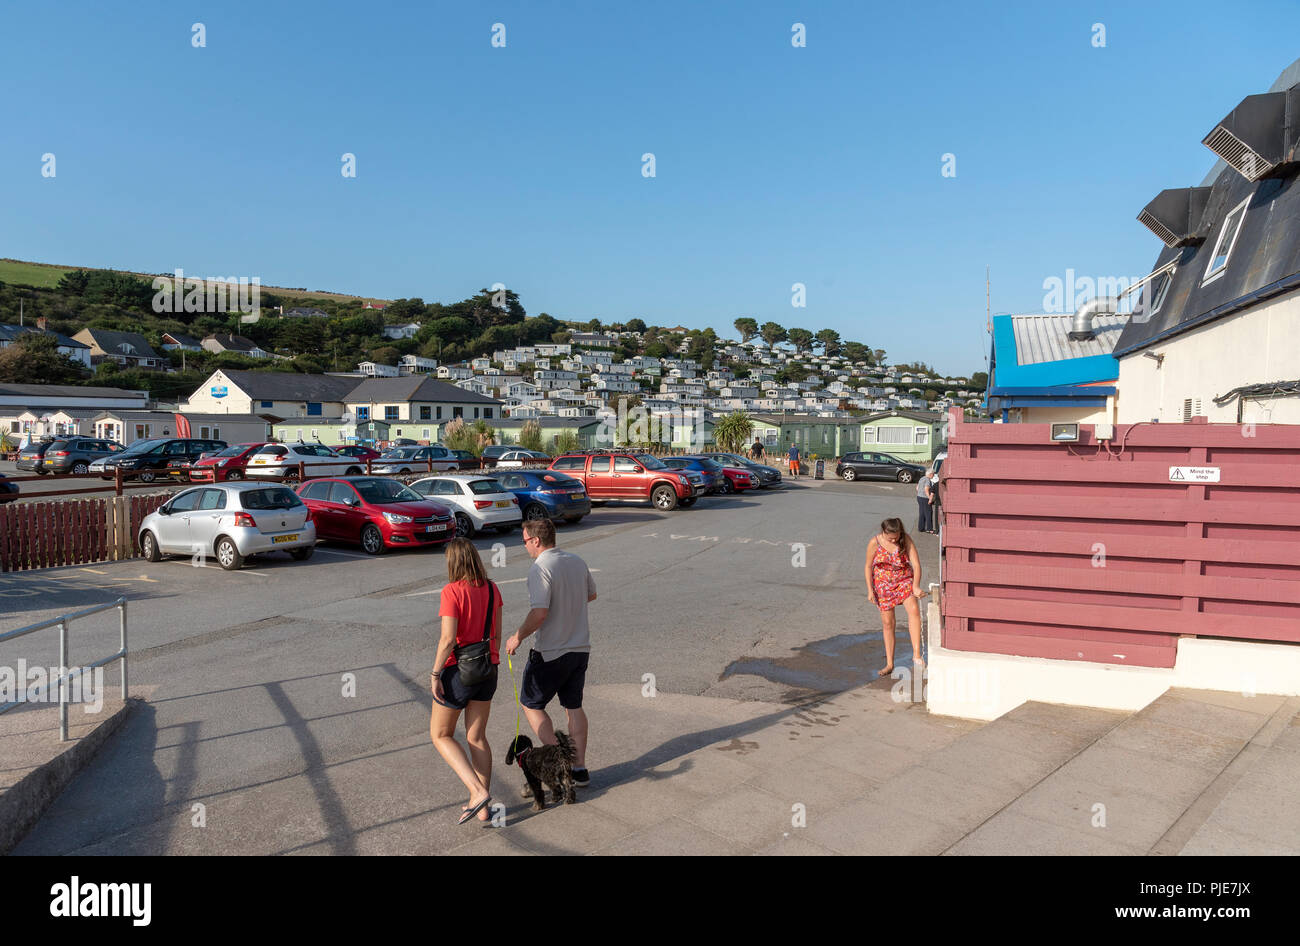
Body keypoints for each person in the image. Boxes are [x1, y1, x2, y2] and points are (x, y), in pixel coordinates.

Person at [505, 519, 597, 786]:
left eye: (524, 541)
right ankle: (579, 768)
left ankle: (560, 761)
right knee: (574, 706)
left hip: (550, 651)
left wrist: (517, 637)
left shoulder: (540, 568)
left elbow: (539, 613)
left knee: (531, 704)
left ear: (536, 540)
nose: (524, 546)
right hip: (580, 647)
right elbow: (591, 595)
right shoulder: (577, 561)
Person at [430, 537, 502, 825]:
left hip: (458, 672)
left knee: (441, 735)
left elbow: (448, 639)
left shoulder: (451, 591)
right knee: (476, 737)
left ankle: (476, 792)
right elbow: (496, 632)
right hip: (488, 668)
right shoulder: (493, 588)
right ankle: (482, 804)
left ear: (453, 562)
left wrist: (435, 674)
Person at [864, 517, 925, 678]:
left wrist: (916, 585)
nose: (893, 540)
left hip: (904, 579)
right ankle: (890, 663)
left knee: (914, 610)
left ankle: (916, 654)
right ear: (883, 532)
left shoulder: (905, 540)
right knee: (888, 622)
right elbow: (868, 566)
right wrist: (870, 589)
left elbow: (916, 564)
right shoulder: (874, 543)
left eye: (896, 537)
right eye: (890, 537)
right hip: (882, 584)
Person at [916, 468, 933, 534]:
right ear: (930, 474)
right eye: (933, 474)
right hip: (925, 498)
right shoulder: (928, 480)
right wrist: (929, 498)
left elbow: (917, 488)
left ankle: (921, 528)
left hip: (919, 497)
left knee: (922, 513)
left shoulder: (922, 478)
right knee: (928, 513)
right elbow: (926, 489)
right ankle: (929, 528)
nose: (933, 476)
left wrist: (920, 492)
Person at [928, 466, 942, 535]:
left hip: (937, 502)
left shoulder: (935, 484)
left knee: (937, 517)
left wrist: (930, 501)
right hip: (943, 502)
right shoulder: (945, 484)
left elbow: (932, 494)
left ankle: (937, 531)